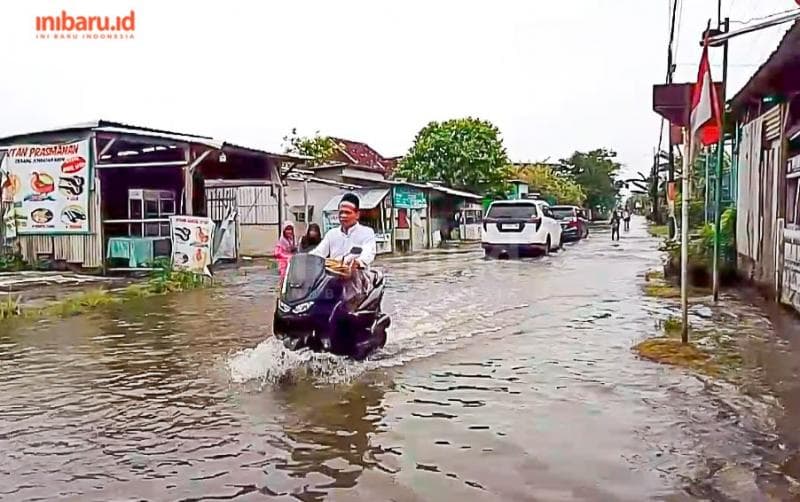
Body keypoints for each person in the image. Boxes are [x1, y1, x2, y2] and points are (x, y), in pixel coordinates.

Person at [310, 193, 377, 308]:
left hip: (357, 278)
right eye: (341, 212)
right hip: (333, 277)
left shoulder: (367, 232)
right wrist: (305, 259)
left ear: (357, 214)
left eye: (347, 212)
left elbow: (369, 252)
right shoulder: (332, 234)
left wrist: (358, 262)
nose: (343, 216)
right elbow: (319, 253)